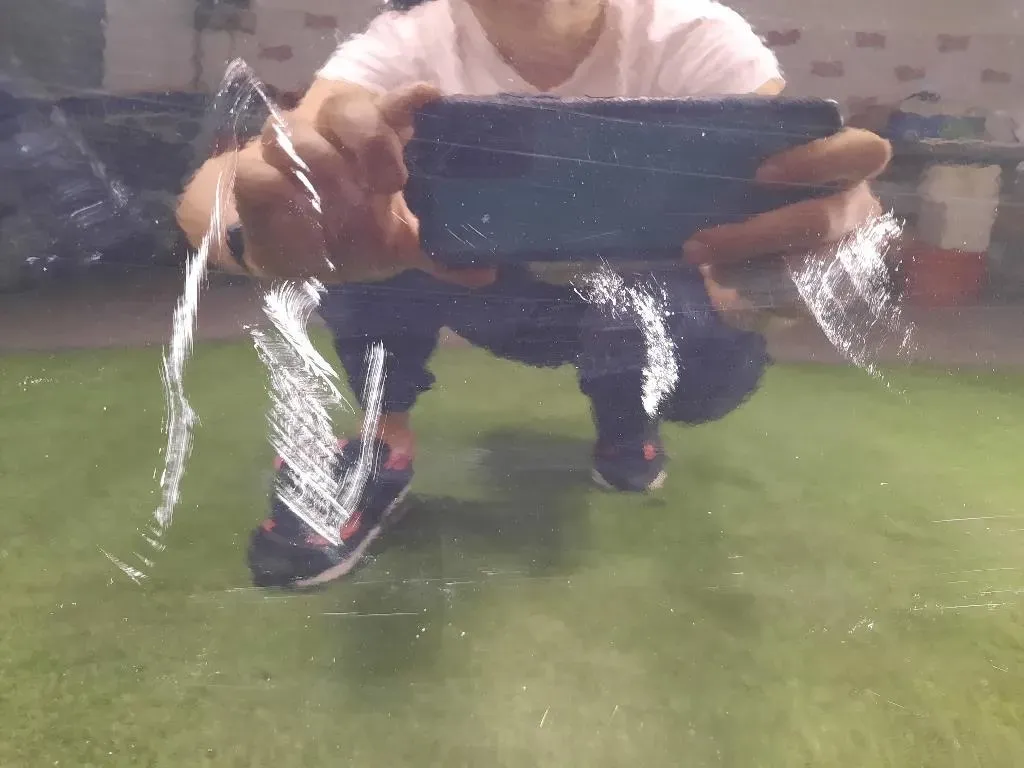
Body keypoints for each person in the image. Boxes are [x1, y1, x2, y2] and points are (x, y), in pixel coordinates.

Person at [177, 0, 891, 586]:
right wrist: (257, 229)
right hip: (485, 290)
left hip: (641, 303)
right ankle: (379, 441)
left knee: (699, 364)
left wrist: (806, 247)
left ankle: (627, 423)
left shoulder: (693, 35)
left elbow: (783, 190)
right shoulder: (405, 43)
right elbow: (248, 169)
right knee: (363, 216)